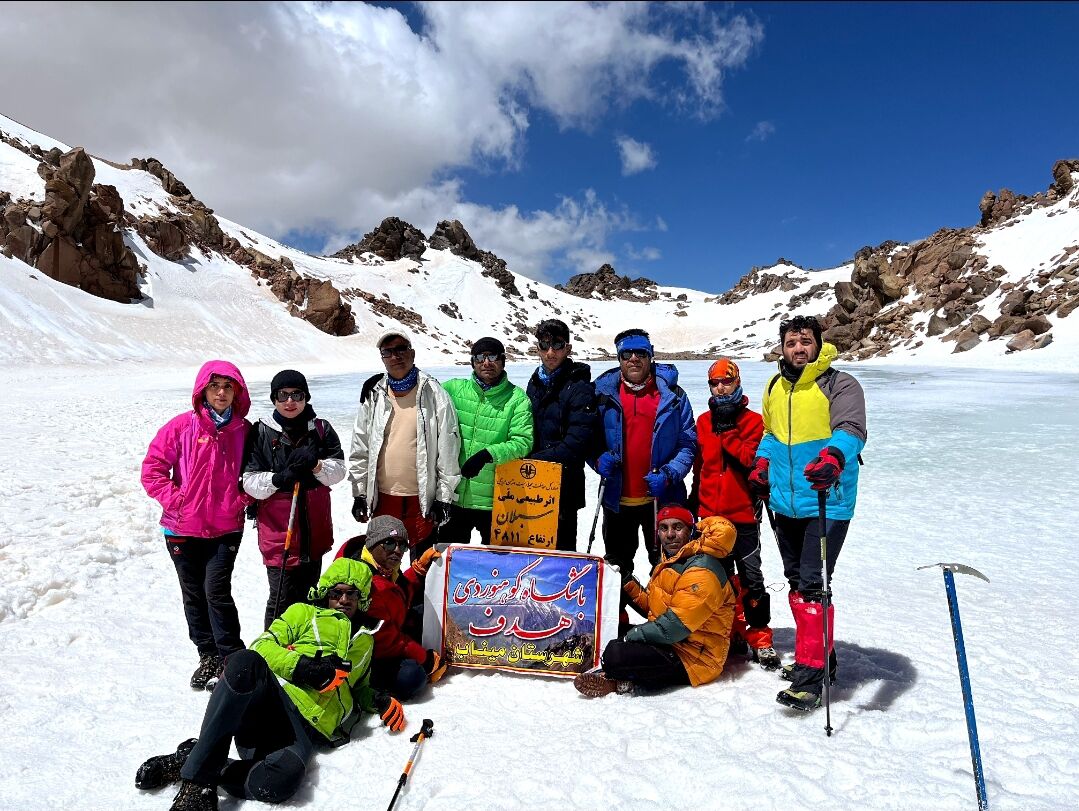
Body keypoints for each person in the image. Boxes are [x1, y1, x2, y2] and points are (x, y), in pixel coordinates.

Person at [135, 558, 407, 811]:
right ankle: (198, 785)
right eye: (337, 592)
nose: (344, 599)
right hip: (274, 705)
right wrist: (304, 667)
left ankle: (195, 757)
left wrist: (380, 700)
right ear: (326, 592)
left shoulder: (366, 641)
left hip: (304, 731)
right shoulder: (302, 613)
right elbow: (262, 646)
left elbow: (358, 688)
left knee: (280, 781)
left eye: (352, 593)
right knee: (245, 662)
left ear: (363, 598)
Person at [748, 315, 867, 711]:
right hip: (785, 503)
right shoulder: (774, 385)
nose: (798, 349)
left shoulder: (840, 384)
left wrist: (834, 456)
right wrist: (763, 464)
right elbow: (769, 433)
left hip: (826, 499)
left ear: (819, 344)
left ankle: (809, 679)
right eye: (791, 342)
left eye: (805, 341)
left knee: (814, 584)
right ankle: (820, 660)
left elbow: (851, 429)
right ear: (782, 347)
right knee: (798, 581)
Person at [141, 360, 251, 691]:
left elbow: (256, 476)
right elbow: (153, 470)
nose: (221, 392)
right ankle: (208, 655)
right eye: (215, 386)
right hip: (182, 529)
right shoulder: (180, 427)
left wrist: (241, 500)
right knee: (193, 594)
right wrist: (179, 502)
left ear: (237, 392)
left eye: (228, 386)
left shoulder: (245, 432)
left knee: (216, 590)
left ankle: (232, 656)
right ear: (203, 389)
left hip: (226, 527)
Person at [574, 507, 736, 697]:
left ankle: (619, 680)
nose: (670, 535)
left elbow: (675, 626)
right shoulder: (673, 561)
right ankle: (618, 675)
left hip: (694, 658)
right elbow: (654, 608)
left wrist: (630, 637)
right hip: (672, 643)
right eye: (663, 528)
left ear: (690, 531)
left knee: (615, 654)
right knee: (602, 631)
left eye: (677, 527)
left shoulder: (702, 570)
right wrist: (625, 580)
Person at [690, 357, 780, 670]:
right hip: (710, 517)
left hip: (743, 514)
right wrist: (693, 499)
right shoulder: (702, 421)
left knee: (751, 576)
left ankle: (760, 636)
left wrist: (728, 430)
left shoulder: (755, 422)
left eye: (725, 381)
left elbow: (750, 461)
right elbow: (701, 465)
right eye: (714, 383)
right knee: (717, 578)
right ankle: (728, 632)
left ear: (736, 381)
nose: (719, 387)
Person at [242, 370, 346, 629]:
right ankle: (271, 650)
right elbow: (249, 481)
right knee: (280, 597)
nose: (290, 402)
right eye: (283, 395)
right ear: (274, 398)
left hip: (313, 530)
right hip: (279, 532)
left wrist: (316, 464)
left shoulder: (321, 429)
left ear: (306, 397)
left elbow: (340, 470)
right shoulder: (261, 432)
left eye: (297, 395)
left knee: (309, 595)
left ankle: (304, 647)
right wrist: (279, 479)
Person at [348, 329, 461, 558]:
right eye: (387, 352)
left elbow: (448, 450)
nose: (395, 356)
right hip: (383, 497)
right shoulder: (375, 394)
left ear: (412, 353)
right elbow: (361, 445)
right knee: (383, 564)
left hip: (421, 500)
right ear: (382, 358)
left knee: (420, 567)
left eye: (400, 349)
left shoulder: (433, 393)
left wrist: (443, 498)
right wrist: (359, 493)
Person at [591, 329, 696, 575]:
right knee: (618, 569)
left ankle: (666, 614)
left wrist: (670, 474)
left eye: (641, 353)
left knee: (668, 568)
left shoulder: (674, 397)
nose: (634, 359)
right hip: (617, 501)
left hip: (662, 500)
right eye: (627, 353)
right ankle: (620, 614)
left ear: (651, 357)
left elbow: (688, 443)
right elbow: (589, 439)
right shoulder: (602, 396)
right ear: (619, 359)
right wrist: (597, 459)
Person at [336, 515, 447, 699]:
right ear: (373, 543)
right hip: (369, 654)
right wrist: (427, 661)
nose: (397, 550)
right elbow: (388, 641)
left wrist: (418, 570)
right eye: (389, 543)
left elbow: (398, 592)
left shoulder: (380, 567)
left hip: (389, 633)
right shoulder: (363, 584)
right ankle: (370, 687)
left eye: (402, 545)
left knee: (428, 616)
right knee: (412, 677)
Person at [439, 337, 533, 545]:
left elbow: (522, 441)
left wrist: (487, 454)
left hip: (495, 502)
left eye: (492, 357)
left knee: (495, 569)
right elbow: (422, 392)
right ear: (473, 362)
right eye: (480, 357)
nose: (486, 362)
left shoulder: (517, 399)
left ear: (502, 361)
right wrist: (382, 381)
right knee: (449, 562)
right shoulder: (454, 389)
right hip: (453, 496)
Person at [524, 319, 599, 551]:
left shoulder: (579, 387)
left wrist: (534, 461)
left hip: (564, 485)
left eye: (557, 345)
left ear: (568, 348)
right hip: (532, 485)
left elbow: (577, 442)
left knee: (562, 554)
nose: (550, 352)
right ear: (537, 348)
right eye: (545, 345)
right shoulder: (535, 382)